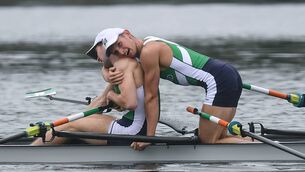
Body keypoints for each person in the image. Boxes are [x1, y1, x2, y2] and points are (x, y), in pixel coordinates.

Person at [86, 28, 250, 150]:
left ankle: (264, 148)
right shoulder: (143, 48)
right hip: (227, 75)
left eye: (120, 44)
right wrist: (105, 73)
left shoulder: (148, 53)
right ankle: (255, 144)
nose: (122, 51)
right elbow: (109, 63)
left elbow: (152, 98)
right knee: (217, 136)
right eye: (116, 51)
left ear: (128, 34)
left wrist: (149, 138)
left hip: (219, 81)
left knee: (207, 141)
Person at [31, 42, 147, 146]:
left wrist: (111, 96)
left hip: (132, 131)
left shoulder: (122, 68)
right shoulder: (123, 67)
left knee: (72, 125)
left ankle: (31, 151)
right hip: (132, 124)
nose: (97, 59)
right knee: (75, 122)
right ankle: (53, 137)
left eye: (97, 52)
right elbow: (101, 101)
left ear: (108, 48)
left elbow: (128, 103)